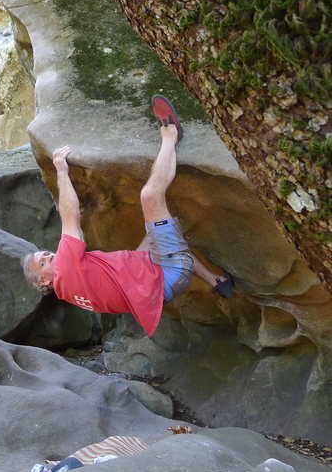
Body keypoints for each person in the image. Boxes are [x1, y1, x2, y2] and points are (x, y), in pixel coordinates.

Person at [22, 95, 233, 337]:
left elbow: (118, 287)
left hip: (158, 284)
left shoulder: (70, 293)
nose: (49, 256)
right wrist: (61, 169)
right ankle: (171, 134)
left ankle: (218, 282)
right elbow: (69, 214)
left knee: (153, 236)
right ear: (43, 282)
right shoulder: (67, 270)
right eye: (43, 263)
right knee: (150, 196)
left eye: (45, 254)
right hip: (169, 272)